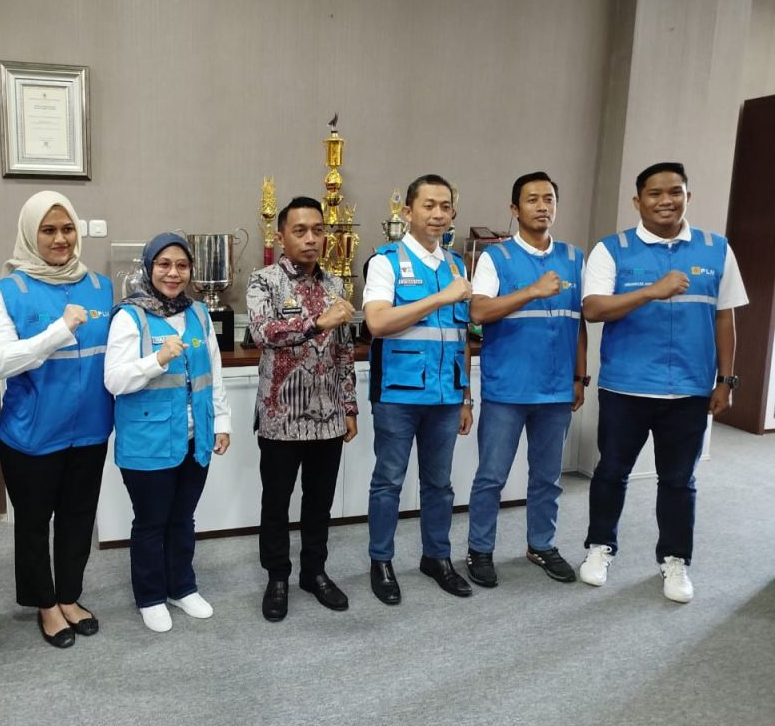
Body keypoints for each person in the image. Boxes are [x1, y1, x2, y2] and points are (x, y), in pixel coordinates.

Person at [579, 162, 748, 603]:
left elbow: (724, 317)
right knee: (611, 472)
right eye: (655, 194)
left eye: (675, 192)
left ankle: (675, 560)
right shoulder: (612, 249)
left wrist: (726, 379)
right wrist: (651, 291)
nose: (666, 201)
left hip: (690, 390)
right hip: (626, 388)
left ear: (688, 197)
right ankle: (599, 547)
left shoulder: (716, 249)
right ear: (638, 201)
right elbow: (593, 309)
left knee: (679, 480)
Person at [0, 191, 113, 648]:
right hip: (31, 435)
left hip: (90, 430)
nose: (61, 239)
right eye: (49, 230)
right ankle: (45, 604)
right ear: (30, 234)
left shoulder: (100, 286)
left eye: (67, 229)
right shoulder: (9, 292)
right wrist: (58, 331)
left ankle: (69, 596)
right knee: (35, 524)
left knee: (78, 518)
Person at [104, 233, 231, 633]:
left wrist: (222, 422)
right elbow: (114, 380)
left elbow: (214, 372)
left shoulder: (198, 313)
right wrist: (156, 360)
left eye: (181, 265)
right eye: (164, 264)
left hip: (196, 436)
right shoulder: (130, 316)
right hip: (148, 440)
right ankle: (150, 596)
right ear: (148, 268)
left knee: (183, 518)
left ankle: (182, 587)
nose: (173, 273)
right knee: (151, 521)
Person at [465, 172, 587, 588]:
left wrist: (580, 377)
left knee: (548, 477)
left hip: (556, 389)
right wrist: (532, 291)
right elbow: (478, 312)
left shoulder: (574, 258)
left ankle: (541, 544)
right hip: (508, 388)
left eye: (549, 198)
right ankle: (480, 549)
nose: (542, 206)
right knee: (491, 477)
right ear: (514, 209)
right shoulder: (496, 258)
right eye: (532, 199)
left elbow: (579, 322)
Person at [363, 173, 474, 603]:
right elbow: (377, 322)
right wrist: (441, 298)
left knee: (440, 485)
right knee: (388, 482)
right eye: (428, 205)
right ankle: (381, 561)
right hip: (399, 393)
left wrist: (466, 396)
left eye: (445, 206)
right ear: (408, 212)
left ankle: (437, 557)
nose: (438, 214)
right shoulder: (386, 261)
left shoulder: (456, 265)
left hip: (446, 396)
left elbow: (462, 336)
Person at [246, 196, 359, 622]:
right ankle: (277, 577)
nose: (311, 238)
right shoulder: (264, 282)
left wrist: (349, 406)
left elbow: (344, 351)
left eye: (318, 230)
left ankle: (314, 572)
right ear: (282, 237)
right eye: (300, 231)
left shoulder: (335, 286)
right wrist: (317, 322)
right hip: (280, 417)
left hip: (329, 417)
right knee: (276, 503)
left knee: (319, 502)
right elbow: (263, 332)